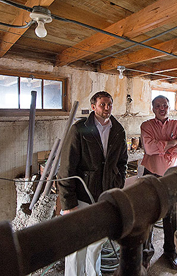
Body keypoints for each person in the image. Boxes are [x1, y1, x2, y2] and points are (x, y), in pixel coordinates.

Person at [58, 91, 128, 276]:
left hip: (105, 196)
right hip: (82, 196)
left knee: (96, 244)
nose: (107, 108)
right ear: (93, 107)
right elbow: (66, 167)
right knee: (75, 246)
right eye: (102, 104)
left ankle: (93, 274)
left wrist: (118, 183)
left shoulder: (118, 130)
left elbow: (122, 162)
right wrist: (68, 203)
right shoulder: (80, 129)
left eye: (109, 104)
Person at [140, 95, 177, 269]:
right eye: (158, 105)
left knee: (171, 216)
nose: (162, 108)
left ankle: (171, 252)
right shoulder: (146, 126)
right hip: (151, 174)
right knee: (149, 215)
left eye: (165, 105)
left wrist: (165, 151)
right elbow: (149, 148)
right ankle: (146, 254)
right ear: (153, 108)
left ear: (169, 107)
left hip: (172, 175)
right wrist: (171, 143)